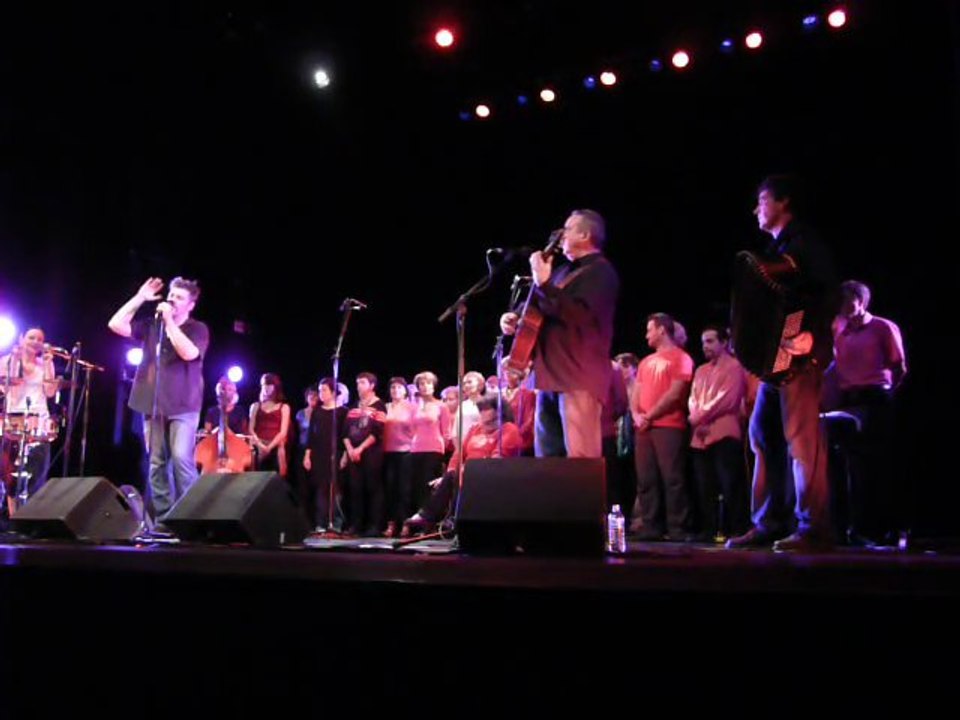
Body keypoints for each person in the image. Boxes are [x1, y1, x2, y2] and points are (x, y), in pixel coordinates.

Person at [726, 175, 839, 552]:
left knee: (802, 443)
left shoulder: (806, 245)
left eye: (762, 201)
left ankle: (814, 528)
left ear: (783, 203)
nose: (756, 209)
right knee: (762, 436)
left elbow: (827, 295)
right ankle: (769, 522)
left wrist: (811, 335)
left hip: (802, 359)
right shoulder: (774, 252)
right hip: (776, 363)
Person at [500, 209, 619, 457]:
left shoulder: (602, 272)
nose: (561, 234)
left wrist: (544, 283)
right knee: (549, 463)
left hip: (577, 376)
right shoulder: (563, 271)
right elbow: (541, 308)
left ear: (585, 234)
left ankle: (586, 499)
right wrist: (517, 318)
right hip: (546, 379)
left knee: (580, 462)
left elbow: (578, 315)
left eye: (568, 228)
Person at [108, 277, 209, 531]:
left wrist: (169, 322)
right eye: (171, 295)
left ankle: (191, 518)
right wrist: (140, 296)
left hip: (184, 404)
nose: (172, 300)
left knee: (181, 459)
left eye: (179, 298)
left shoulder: (198, 329)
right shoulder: (152, 325)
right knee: (156, 461)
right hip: (151, 402)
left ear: (191, 305)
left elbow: (189, 353)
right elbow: (116, 324)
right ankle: (165, 520)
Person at [630, 313, 695, 540]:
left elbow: (675, 393)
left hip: (668, 426)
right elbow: (635, 392)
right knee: (646, 479)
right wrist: (636, 414)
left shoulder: (682, 358)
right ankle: (651, 526)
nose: (646, 334)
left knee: (672, 478)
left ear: (661, 330)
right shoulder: (646, 362)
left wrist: (650, 415)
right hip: (644, 428)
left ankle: (677, 528)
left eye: (649, 329)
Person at [688, 325, 749, 540]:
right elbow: (693, 398)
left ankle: (736, 528)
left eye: (710, 341)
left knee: (730, 483)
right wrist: (696, 416)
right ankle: (708, 529)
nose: (705, 346)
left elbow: (727, 399)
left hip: (724, 432)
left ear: (724, 343)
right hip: (701, 435)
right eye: (703, 342)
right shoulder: (700, 370)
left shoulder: (734, 367)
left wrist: (700, 416)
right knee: (704, 486)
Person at [0, 327, 59, 514]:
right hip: (14, 418)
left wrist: (49, 363)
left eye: (39, 338)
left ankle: (31, 516)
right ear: (22, 339)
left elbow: (50, 392)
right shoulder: (7, 361)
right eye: (31, 337)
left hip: (39, 418)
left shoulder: (44, 364)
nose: (35, 341)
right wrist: (16, 360)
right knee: (10, 472)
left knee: (36, 469)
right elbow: (5, 389)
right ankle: (12, 515)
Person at [249, 373, 291, 477]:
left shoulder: (284, 407)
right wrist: (260, 446)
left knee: (276, 481)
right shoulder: (255, 406)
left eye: (269, 385)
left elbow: (283, 432)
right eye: (264, 385)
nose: (266, 388)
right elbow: (251, 429)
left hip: (276, 447)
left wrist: (269, 447)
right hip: (258, 447)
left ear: (275, 387)